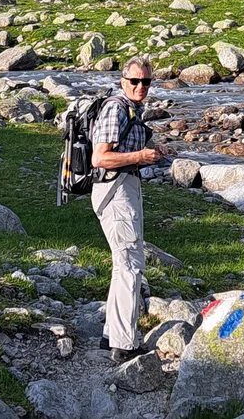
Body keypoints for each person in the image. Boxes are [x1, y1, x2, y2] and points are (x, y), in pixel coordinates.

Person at [89, 57, 162, 362]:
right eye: (135, 81)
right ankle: (125, 343)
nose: (141, 87)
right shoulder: (116, 108)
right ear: (123, 81)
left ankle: (111, 335)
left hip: (124, 187)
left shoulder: (132, 109)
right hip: (115, 190)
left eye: (146, 82)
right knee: (131, 265)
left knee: (124, 264)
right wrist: (141, 156)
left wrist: (151, 154)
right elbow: (99, 158)